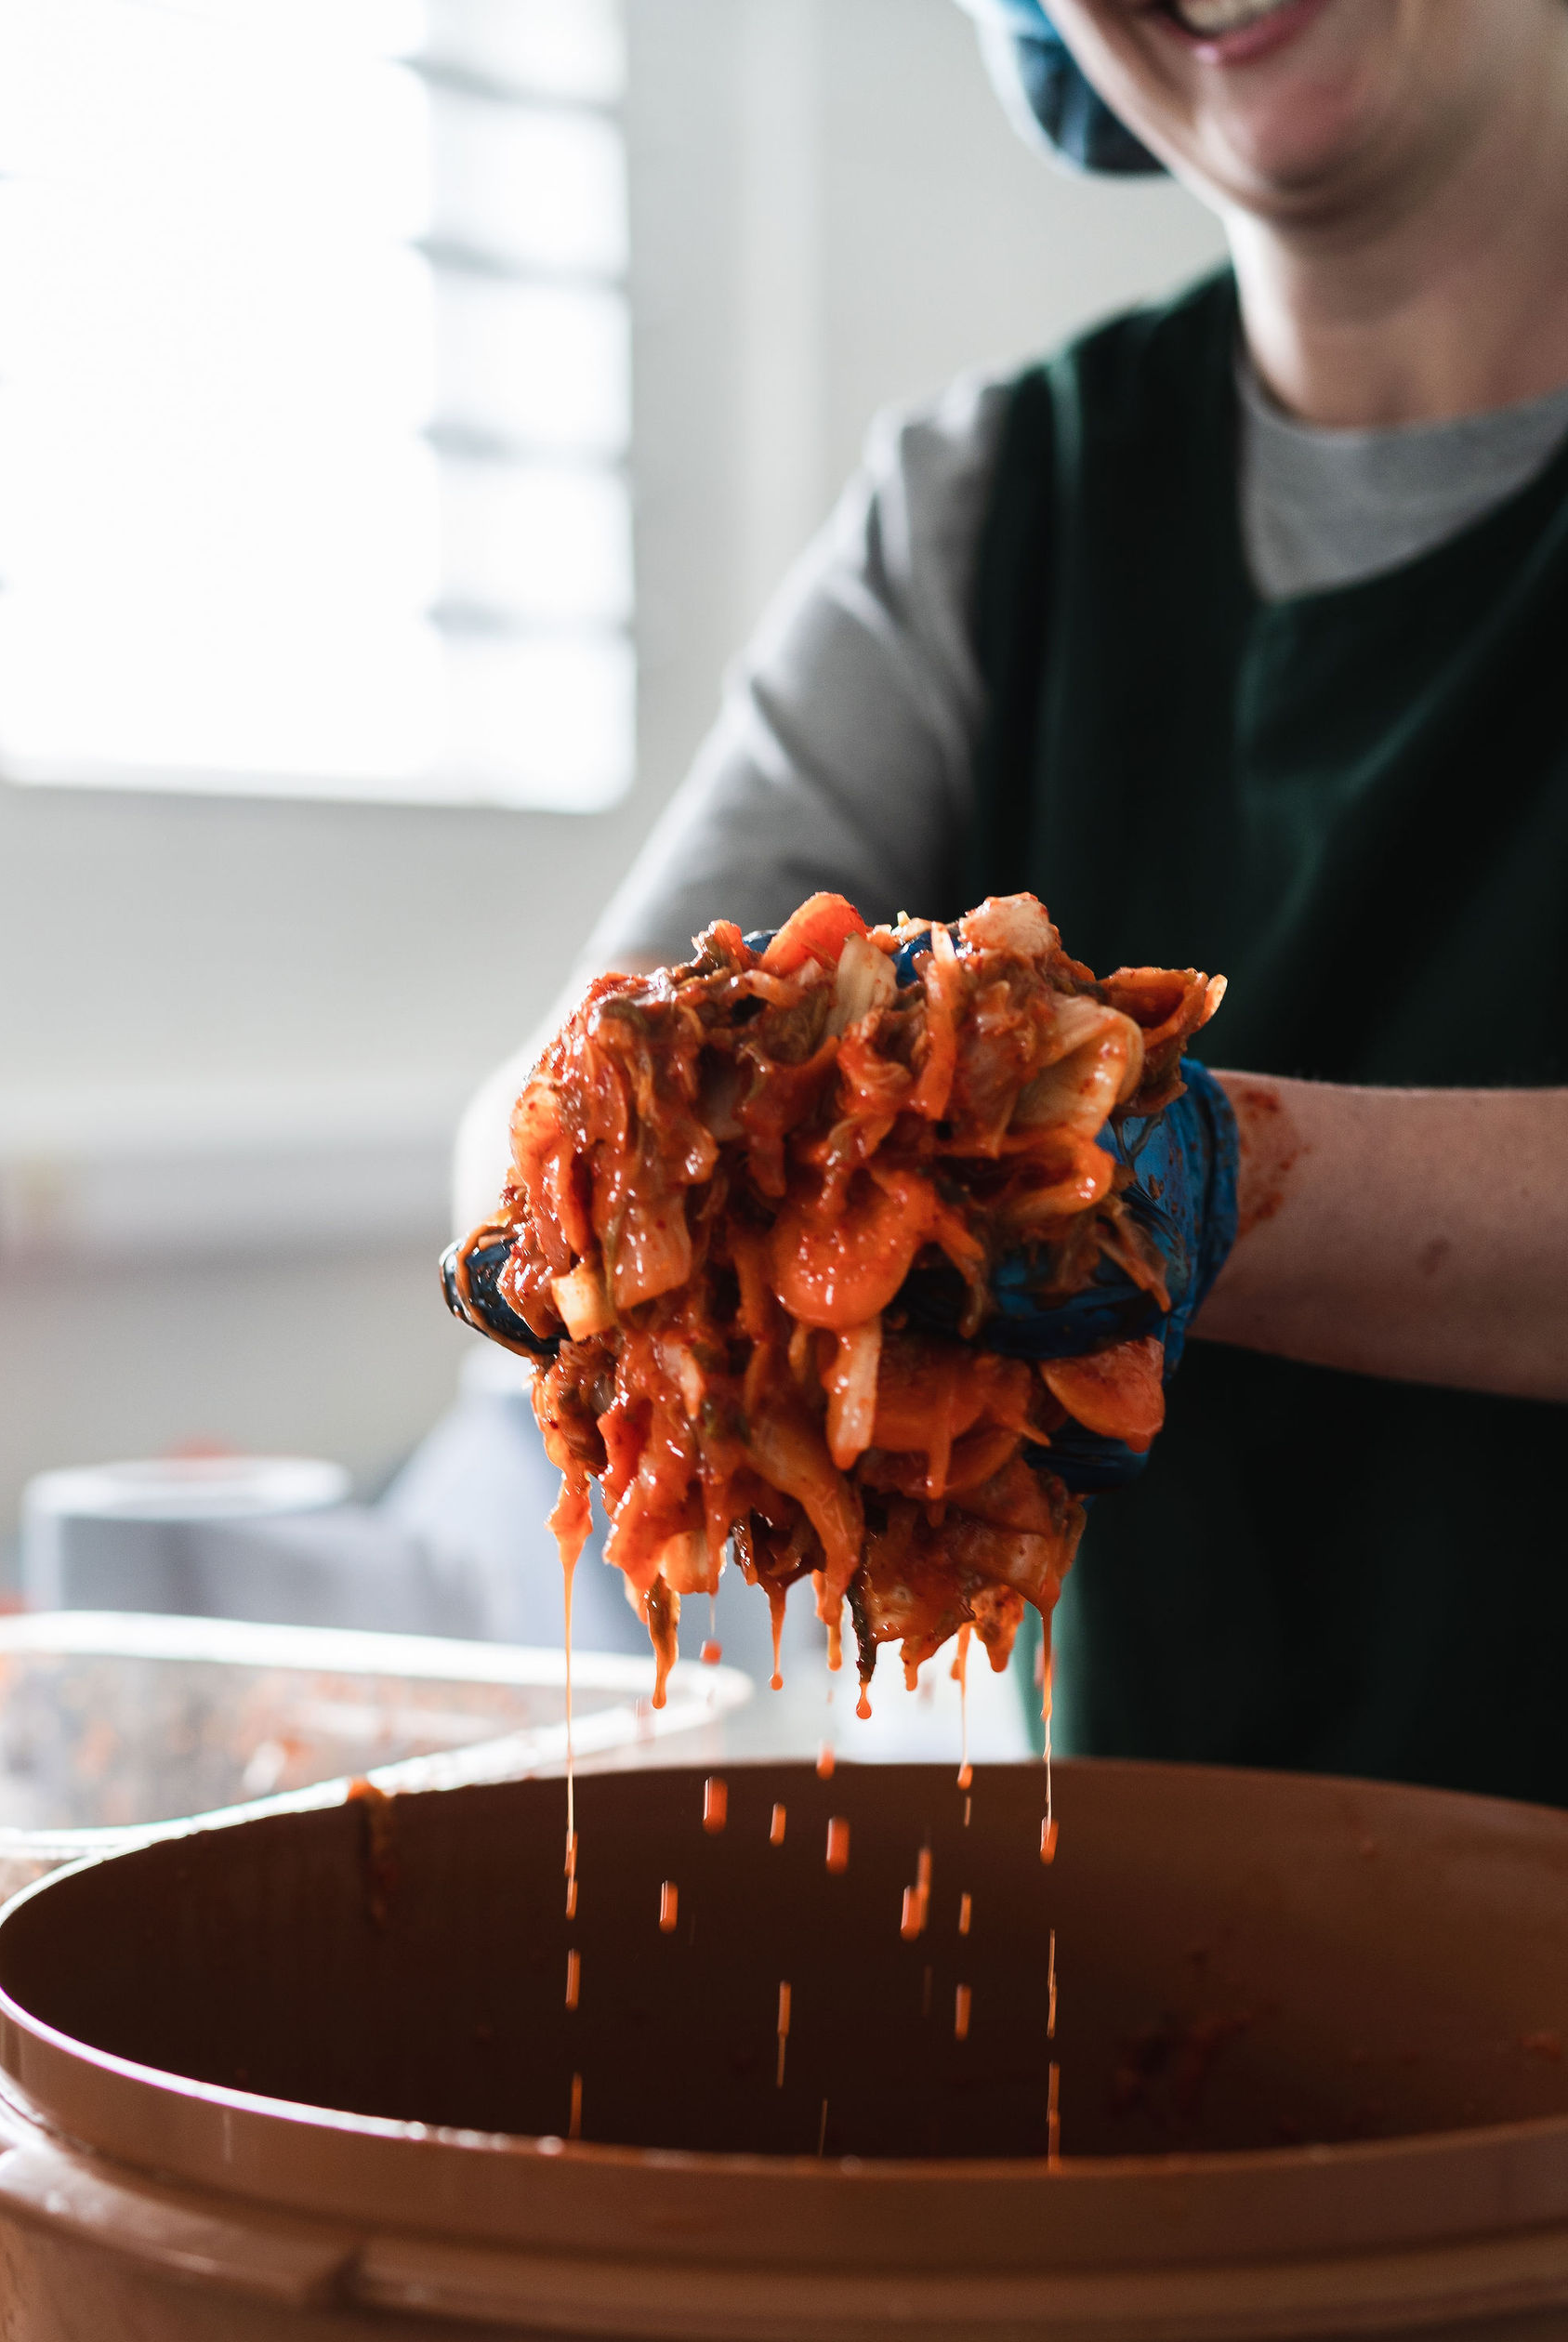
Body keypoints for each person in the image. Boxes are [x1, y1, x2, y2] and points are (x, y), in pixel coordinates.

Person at [444, 0, 1568, 1805]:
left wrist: (1191, 1185)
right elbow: (539, 1111)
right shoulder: (986, 507)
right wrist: (632, 1167)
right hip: (1157, 1899)